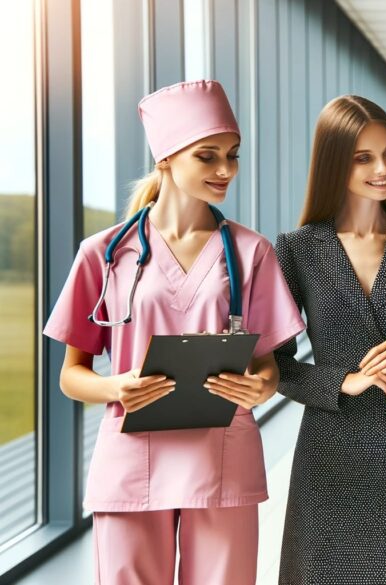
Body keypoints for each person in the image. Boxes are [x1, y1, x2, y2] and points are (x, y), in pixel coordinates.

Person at [42, 80, 306, 584]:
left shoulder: (251, 253)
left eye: (232, 155)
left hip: (221, 461)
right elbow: (72, 376)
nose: (225, 170)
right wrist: (116, 387)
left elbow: (269, 366)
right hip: (131, 462)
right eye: (207, 156)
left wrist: (263, 385)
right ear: (165, 157)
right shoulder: (104, 254)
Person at [273, 95, 386, 585]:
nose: (383, 168)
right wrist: (341, 383)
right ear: (334, 162)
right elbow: (276, 365)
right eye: (364, 157)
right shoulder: (297, 248)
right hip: (330, 445)